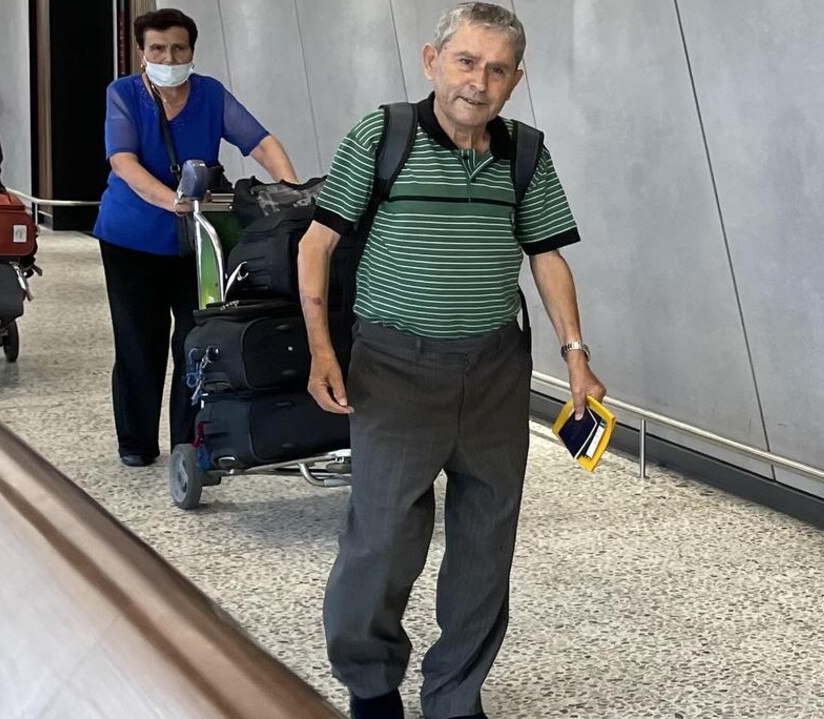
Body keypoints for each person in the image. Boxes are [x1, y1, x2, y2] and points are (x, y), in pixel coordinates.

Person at [297, 4, 606, 718]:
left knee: (484, 544)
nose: (479, 81)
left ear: (516, 80)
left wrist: (576, 353)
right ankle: (371, 684)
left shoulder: (524, 151)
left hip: (495, 370)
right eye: (466, 61)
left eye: (497, 69)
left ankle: (455, 696)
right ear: (431, 60)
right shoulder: (384, 134)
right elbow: (317, 243)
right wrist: (320, 348)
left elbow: (546, 255)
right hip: (394, 369)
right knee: (379, 541)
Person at [94, 8, 298, 468]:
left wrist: (290, 191)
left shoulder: (209, 94)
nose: (169, 56)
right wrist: (172, 201)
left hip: (198, 241)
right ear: (142, 53)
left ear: (191, 50)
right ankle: (137, 443)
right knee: (138, 343)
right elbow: (122, 161)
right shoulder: (124, 93)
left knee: (194, 340)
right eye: (158, 49)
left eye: (178, 48)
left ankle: (191, 441)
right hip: (132, 238)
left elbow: (260, 141)